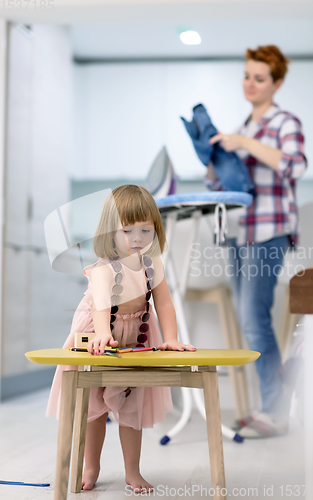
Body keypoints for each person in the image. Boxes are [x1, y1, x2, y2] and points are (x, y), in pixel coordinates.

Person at [46, 185, 196, 492]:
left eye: (146, 230)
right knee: (93, 405)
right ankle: (91, 466)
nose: (138, 238)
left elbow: (164, 304)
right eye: (128, 231)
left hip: (135, 338)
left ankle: (132, 471)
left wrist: (171, 338)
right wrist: (102, 333)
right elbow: (101, 303)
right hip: (96, 333)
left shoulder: (153, 265)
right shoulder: (104, 267)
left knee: (132, 405)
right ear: (110, 232)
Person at [209, 45, 307, 438]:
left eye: (260, 78)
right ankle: (270, 406)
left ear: (277, 83)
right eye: (247, 75)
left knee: (254, 317)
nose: (250, 83)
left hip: (269, 232)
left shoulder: (284, 122)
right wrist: (214, 160)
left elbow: (294, 165)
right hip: (240, 231)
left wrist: (244, 145)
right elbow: (226, 184)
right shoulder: (244, 127)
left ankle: (275, 411)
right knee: (250, 321)